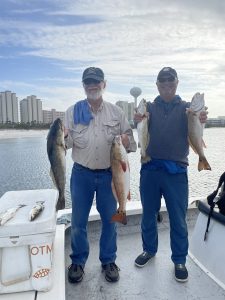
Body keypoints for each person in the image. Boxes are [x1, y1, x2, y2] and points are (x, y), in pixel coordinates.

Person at [134, 67, 208, 282]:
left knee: (179, 219)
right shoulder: (149, 107)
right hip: (150, 168)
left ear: (176, 84)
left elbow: (199, 119)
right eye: (162, 83)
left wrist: (200, 117)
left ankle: (179, 259)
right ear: (157, 85)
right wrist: (137, 118)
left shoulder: (187, 109)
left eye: (170, 83)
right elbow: (140, 126)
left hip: (176, 172)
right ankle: (149, 250)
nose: (167, 87)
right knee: (148, 215)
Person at [64, 67, 137, 283]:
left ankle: (108, 261)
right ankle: (78, 261)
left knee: (110, 220)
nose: (92, 85)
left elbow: (131, 142)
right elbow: (65, 145)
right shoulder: (73, 111)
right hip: (81, 175)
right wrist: (62, 136)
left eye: (96, 81)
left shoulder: (117, 112)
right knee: (78, 222)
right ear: (83, 85)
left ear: (104, 84)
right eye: (88, 82)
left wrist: (126, 140)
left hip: (110, 175)